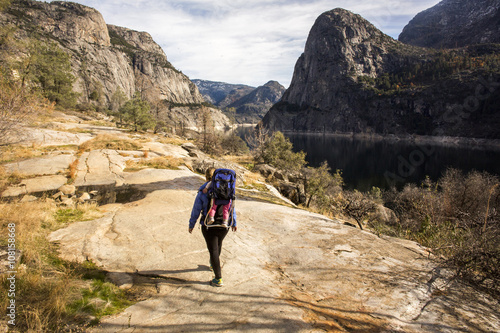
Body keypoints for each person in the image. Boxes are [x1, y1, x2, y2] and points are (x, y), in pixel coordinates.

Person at [189, 167, 237, 287]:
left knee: (213, 250)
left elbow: (196, 209)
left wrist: (191, 224)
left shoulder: (203, 191)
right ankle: (213, 264)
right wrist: (234, 222)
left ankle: (218, 278)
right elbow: (232, 207)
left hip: (209, 225)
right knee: (218, 244)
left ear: (206, 177)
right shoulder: (228, 189)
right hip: (224, 225)